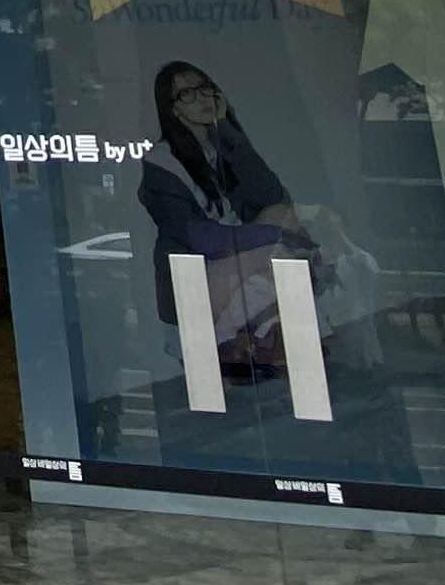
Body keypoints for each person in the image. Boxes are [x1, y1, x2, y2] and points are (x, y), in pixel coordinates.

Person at [138, 61, 327, 380]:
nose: (201, 97)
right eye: (186, 94)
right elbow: (201, 238)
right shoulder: (161, 162)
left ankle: (261, 335)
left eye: (204, 87)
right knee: (282, 247)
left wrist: (227, 130)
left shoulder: (219, 148)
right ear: (173, 109)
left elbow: (272, 196)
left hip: (235, 264)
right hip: (197, 275)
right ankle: (247, 336)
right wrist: (273, 236)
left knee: (282, 217)